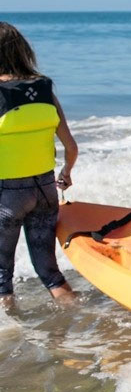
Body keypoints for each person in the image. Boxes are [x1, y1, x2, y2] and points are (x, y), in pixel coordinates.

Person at [0, 22, 78, 308]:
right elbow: (71, 147)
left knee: (1, 278)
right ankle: (78, 317)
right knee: (50, 274)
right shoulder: (44, 89)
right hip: (45, 191)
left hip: (7, 196)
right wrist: (66, 174)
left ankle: (9, 336)